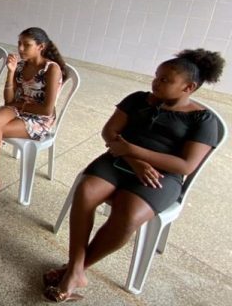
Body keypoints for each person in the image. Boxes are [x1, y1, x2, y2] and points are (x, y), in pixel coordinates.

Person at [43, 49, 224, 303]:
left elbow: (185, 165)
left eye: (165, 80)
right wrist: (133, 159)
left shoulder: (203, 120)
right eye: (156, 76)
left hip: (161, 176)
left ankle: (77, 270)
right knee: (86, 191)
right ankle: (74, 269)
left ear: (188, 87)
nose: (156, 83)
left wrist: (133, 150)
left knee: (128, 216)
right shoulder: (138, 99)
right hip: (119, 161)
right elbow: (110, 132)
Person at [0, 27, 66, 204]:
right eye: (19, 43)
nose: (20, 48)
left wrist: (20, 105)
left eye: (26, 45)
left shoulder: (51, 69)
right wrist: (11, 72)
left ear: (40, 47)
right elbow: (9, 100)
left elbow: (47, 110)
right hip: (18, 108)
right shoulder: (21, 65)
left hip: (38, 118)